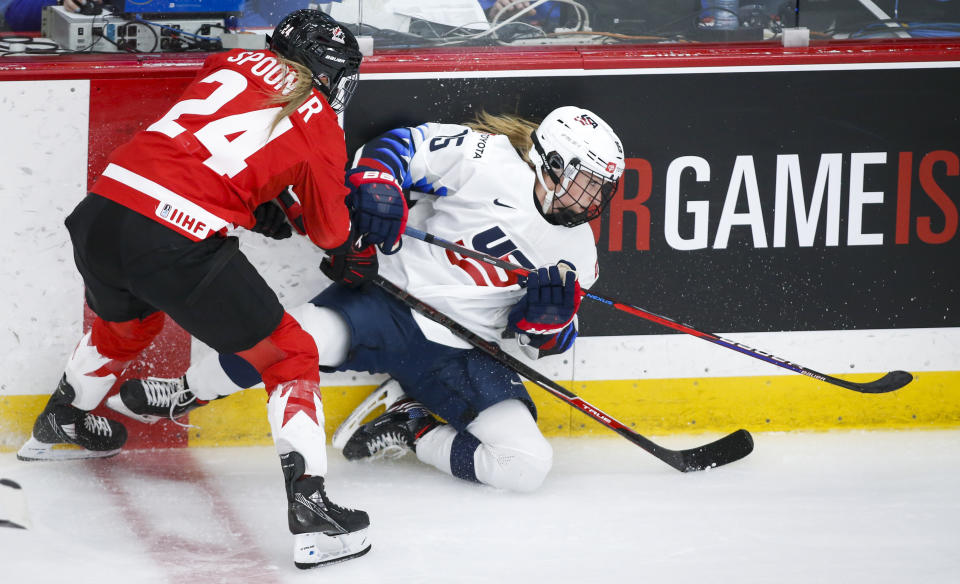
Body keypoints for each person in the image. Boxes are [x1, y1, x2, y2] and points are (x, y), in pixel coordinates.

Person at [16, 8, 407, 570]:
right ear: (330, 71)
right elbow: (329, 231)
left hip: (103, 212)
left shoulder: (230, 61)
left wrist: (257, 206)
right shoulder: (317, 113)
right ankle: (314, 514)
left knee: (128, 325)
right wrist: (350, 248)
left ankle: (62, 418)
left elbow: (207, 153)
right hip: (172, 237)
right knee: (291, 354)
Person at [107, 105, 625, 493]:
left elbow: (545, 343)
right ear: (550, 162)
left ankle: (414, 423)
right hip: (382, 305)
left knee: (527, 466)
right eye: (585, 182)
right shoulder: (484, 158)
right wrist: (380, 185)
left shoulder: (579, 251)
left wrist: (548, 319)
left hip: (463, 352)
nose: (593, 199)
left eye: (603, 188)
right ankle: (185, 392)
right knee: (287, 342)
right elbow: (396, 149)